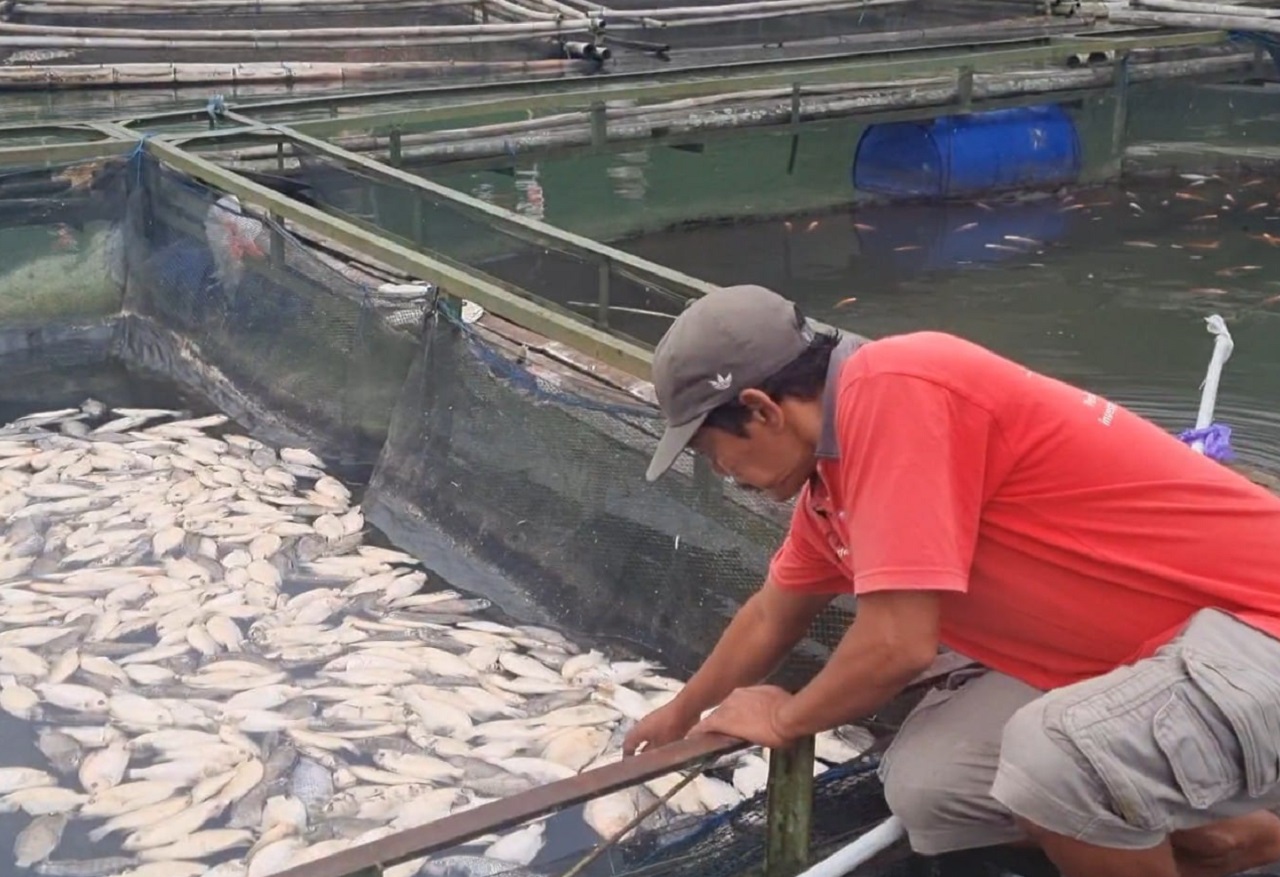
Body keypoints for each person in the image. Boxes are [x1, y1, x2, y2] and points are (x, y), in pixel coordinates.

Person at [623, 283, 1280, 877]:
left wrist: (785, 717)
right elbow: (773, 613)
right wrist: (684, 711)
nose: (726, 474)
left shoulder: (895, 388)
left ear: (762, 410)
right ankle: (1233, 836)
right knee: (931, 789)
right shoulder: (828, 481)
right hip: (1151, 659)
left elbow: (897, 644)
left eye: (714, 452)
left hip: (1254, 630)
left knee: (1052, 759)